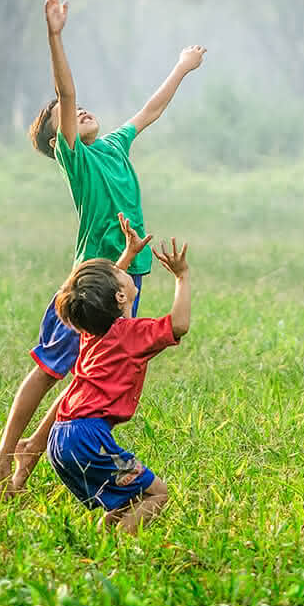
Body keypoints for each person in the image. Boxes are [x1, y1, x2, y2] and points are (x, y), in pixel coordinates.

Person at [0, 0, 205, 496]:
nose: (80, 110)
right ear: (57, 139)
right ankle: (5, 454)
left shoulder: (114, 145)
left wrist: (181, 67)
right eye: (67, 115)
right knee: (50, 368)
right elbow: (65, 92)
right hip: (91, 281)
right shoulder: (77, 159)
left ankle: (29, 459)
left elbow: (150, 110)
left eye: (83, 108)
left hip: (129, 276)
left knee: (90, 373)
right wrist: (55, 36)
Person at [46, 224, 191, 532]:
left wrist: (128, 254)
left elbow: (107, 295)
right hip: (88, 439)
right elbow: (179, 325)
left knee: (127, 498)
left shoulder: (92, 330)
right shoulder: (132, 335)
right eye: (120, 272)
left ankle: (103, 539)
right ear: (121, 295)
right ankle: (121, 548)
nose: (122, 270)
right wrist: (182, 277)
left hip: (60, 437)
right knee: (157, 494)